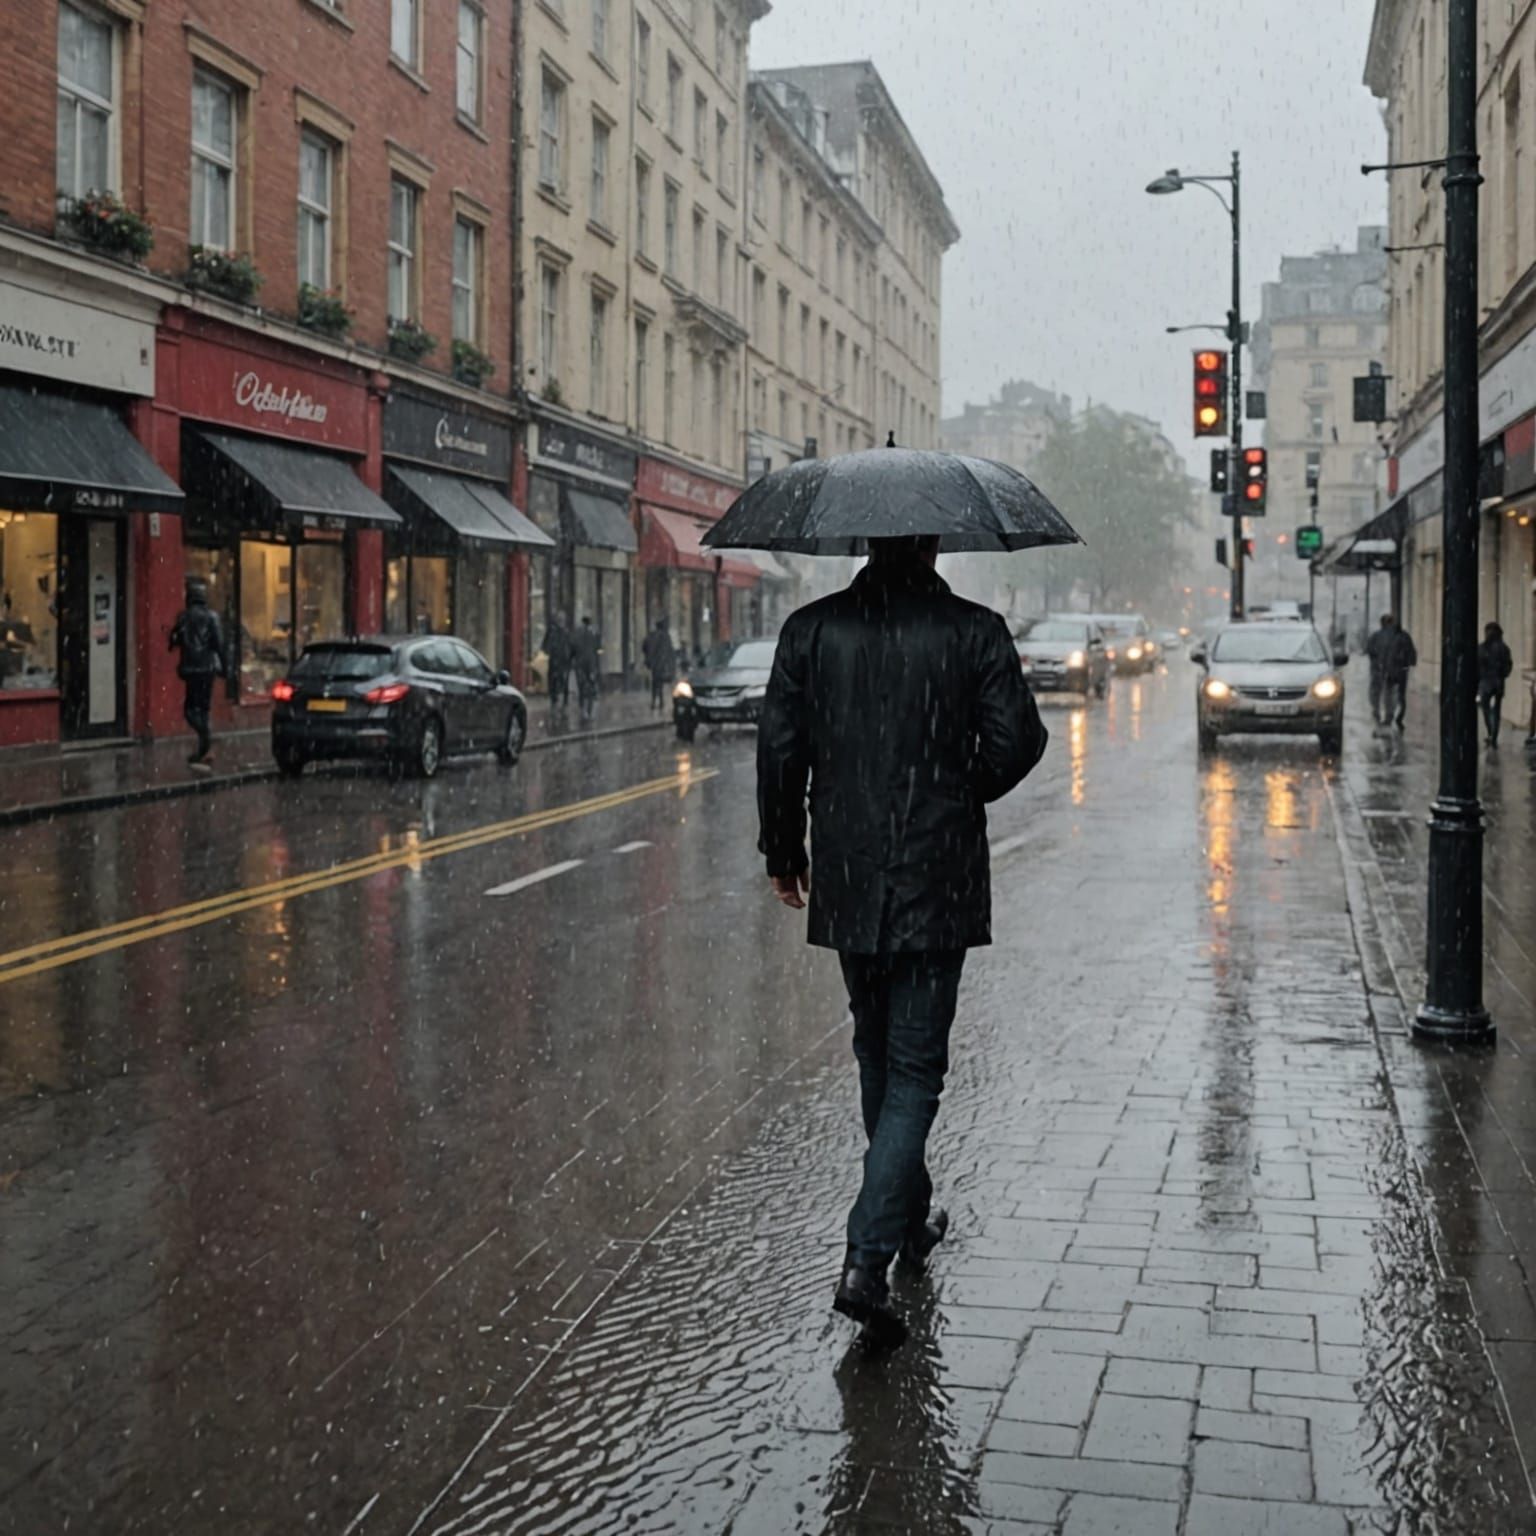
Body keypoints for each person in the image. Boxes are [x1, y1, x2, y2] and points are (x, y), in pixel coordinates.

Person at [757, 535, 1048, 1345]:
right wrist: (957, 791)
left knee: (879, 1056)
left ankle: (909, 1223)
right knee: (914, 1070)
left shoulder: (811, 631)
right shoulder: (974, 630)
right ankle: (866, 1258)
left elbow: (780, 753)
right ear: (931, 545)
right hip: (937, 869)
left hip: (850, 870)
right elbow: (1019, 743)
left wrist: (785, 852)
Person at [168, 576, 228, 772]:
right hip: (207, 669)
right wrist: (226, 668)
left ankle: (204, 744)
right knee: (202, 708)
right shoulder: (212, 617)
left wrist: (176, 639)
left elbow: (174, 639)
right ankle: (205, 742)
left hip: (191, 669)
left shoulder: (184, 617)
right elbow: (219, 645)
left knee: (190, 709)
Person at [1365, 613, 1417, 731]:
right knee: (1399, 695)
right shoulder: (1403, 635)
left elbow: (1371, 651)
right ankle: (1396, 717)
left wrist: (1378, 665)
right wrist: (1408, 664)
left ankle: (1387, 716)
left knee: (1387, 694)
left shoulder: (1379, 636)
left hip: (1389, 671)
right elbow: (1412, 653)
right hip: (1400, 671)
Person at [1478, 620, 1515, 747]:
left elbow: (1477, 666)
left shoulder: (1482, 648)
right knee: (1496, 711)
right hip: (1498, 684)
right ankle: (1493, 735)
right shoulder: (1504, 649)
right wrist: (1502, 675)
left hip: (1486, 684)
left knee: (1486, 710)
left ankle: (1491, 733)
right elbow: (1508, 666)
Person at [572, 615, 601, 722]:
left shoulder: (577, 633)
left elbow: (573, 647)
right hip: (591, 664)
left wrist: (574, 659)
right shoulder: (593, 633)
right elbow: (598, 649)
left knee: (582, 687)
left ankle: (583, 710)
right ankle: (588, 711)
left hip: (580, 664)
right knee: (590, 687)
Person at [542, 613, 573, 712]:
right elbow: (545, 645)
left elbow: (570, 646)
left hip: (562, 661)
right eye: (559, 620)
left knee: (562, 680)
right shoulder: (553, 632)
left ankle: (563, 700)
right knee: (554, 680)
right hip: (556, 660)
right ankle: (555, 700)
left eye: (562, 620)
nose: (561, 622)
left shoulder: (565, 632)